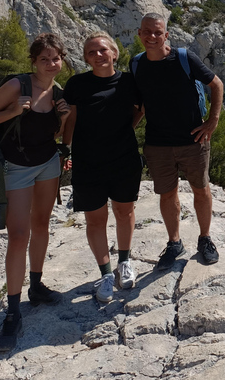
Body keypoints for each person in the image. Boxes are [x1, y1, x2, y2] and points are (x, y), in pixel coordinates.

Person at [0, 33, 71, 353]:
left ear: (62, 60)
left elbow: (54, 133)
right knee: (19, 235)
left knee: (42, 224)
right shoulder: (17, 86)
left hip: (47, 164)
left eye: (56, 58)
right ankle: (12, 311)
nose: (51, 63)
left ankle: (36, 285)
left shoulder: (58, 92)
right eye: (44, 58)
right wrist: (11, 112)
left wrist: (62, 118)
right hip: (17, 166)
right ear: (33, 61)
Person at [132, 13, 223, 269]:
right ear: (139, 34)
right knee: (167, 194)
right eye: (147, 32)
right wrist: (126, 131)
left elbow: (216, 84)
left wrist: (212, 121)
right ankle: (174, 242)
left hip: (193, 139)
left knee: (201, 189)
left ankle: (205, 239)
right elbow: (140, 105)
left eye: (157, 32)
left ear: (166, 35)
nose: (152, 37)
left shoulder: (184, 58)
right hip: (157, 143)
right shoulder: (136, 64)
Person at [62, 31, 143, 303]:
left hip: (124, 159)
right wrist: (66, 148)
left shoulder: (130, 82)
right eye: (91, 52)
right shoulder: (76, 84)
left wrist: (123, 131)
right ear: (86, 58)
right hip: (88, 161)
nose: (98, 55)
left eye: (102, 50)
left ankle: (124, 262)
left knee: (124, 210)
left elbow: (139, 110)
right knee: (95, 220)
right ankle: (106, 273)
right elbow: (70, 119)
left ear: (114, 53)